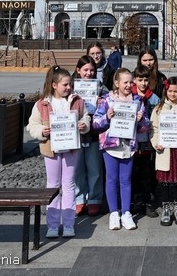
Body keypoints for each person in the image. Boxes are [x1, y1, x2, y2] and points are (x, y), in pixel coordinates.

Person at [27, 66, 90, 238]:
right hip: (51, 149)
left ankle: (69, 223)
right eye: (65, 85)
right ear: (54, 85)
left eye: (70, 84)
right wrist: (41, 130)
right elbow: (32, 124)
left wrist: (84, 125)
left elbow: (85, 116)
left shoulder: (77, 100)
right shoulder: (42, 104)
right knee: (53, 185)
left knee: (69, 184)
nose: (68, 88)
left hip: (71, 148)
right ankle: (53, 224)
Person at [91, 67, 150, 231]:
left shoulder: (137, 100)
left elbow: (145, 127)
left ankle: (126, 213)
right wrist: (106, 117)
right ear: (117, 83)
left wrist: (141, 120)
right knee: (111, 179)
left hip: (128, 146)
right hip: (110, 146)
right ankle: (114, 213)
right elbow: (95, 124)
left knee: (126, 180)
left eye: (131, 82)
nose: (129, 85)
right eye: (126, 82)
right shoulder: (106, 100)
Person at [150, 77, 177, 226]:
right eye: (170, 91)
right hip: (165, 151)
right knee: (165, 182)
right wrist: (156, 143)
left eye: (176, 91)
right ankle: (166, 208)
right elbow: (153, 129)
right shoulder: (158, 109)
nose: (173, 94)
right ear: (166, 91)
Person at [72, 55, 107, 217]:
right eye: (85, 70)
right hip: (75, 132)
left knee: (94, 169)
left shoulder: (99, 86)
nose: (89, 73)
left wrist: (103, 102)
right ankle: (79, 199)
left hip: (94, 132)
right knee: (77, 169)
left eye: (92, 70)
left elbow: (110, 101)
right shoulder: (70, 87)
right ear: (78, 70)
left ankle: (94, 199)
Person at [131, 66, 159, 217]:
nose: (143, 83)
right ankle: (137, 201)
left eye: (146, 79)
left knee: (147, 174)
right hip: (133, 143)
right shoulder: (130, 96)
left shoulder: (153, 98)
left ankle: (149, 202)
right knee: (134, 174)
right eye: (140, 80)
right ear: (134, 80)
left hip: (148, 143)